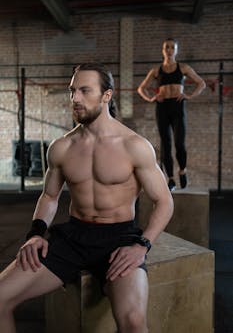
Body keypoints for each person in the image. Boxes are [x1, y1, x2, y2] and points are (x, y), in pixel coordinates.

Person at [0, 62, 174, 333]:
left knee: (134, 322)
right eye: (72, 91)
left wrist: (142, 245)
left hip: (119, 239)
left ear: (107, 95)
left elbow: (164, 201)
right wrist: (36, 233)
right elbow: (49, 196)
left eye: (84, 90)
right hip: (72, 238)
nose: (75, 99)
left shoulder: (135, 146)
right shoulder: (62, 147)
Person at [137, 38, 206, 191]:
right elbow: (141, 88)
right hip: (162, 107)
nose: (169, 50)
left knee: (179, 143)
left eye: (172, 48)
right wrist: (151, 98)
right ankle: (171, 179)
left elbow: (201, 83)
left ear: (176, 51)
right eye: (166, 47)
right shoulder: (156, 70)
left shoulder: (183, 67)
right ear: (163, 50)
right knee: (165, 144)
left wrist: (189, 96)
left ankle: (182, 170)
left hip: (177, 105)